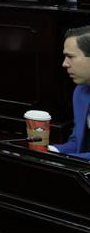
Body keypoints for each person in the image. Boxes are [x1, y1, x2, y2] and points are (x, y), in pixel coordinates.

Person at [49, 26, 90, 159]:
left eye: (70, 56)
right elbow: (77, 142)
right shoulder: (80, 92)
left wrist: (65, 161)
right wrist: (50, 150)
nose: (64, 64)